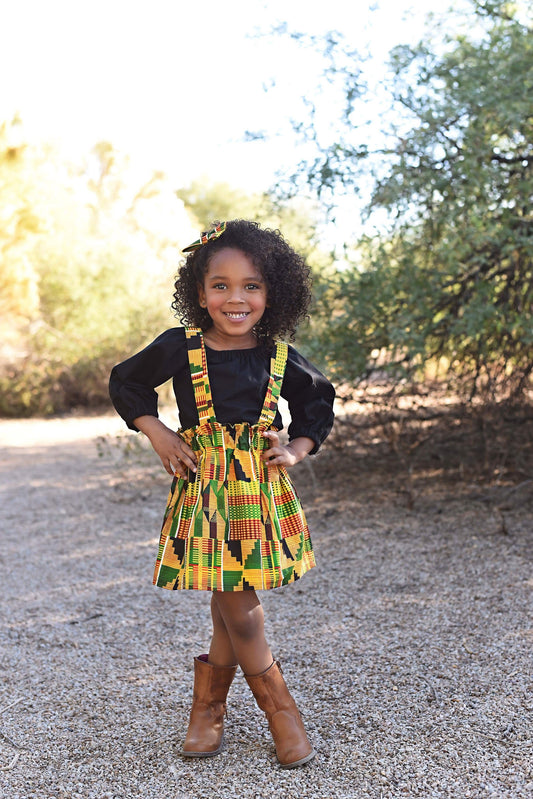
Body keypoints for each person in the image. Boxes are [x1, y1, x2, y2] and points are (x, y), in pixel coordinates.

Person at [109, 219, 335, 769]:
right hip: (205, 493)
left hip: (258, 495)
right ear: (199, 292)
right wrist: (158, 432)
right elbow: (126, 381)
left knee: (231, 607)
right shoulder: (179, 348)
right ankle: (281, 710)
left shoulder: (278, 357)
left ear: (272, 293)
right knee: (242, 607)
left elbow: (318, 404)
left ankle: (207, 713)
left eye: (251, 286)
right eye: (221, 285)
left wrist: (298, 448)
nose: (236, 298)